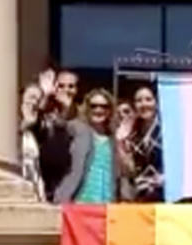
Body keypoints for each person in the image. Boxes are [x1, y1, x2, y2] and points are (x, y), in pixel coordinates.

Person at [61, 89, 122, 203]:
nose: (98, 110)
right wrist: (66, 109)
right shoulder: (78, 128)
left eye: (104, 106)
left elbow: (124, 173)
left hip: (107, 204)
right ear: (87, 108)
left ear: (110, 110)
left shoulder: (113, 138)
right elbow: (60, 127)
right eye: (93, 106)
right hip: (81, 201)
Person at [30, 68, 78, 203]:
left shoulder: (82, 113)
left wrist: (66, 109)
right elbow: (33, 124)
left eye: (71, 86)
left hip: (70, 181)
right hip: (45, 179)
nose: (66, 90)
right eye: (61, 86)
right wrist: (45, 95)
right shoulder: (47, 111)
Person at [121, 86, 163, 202]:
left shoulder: (168, 129)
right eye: (139, 100)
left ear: (156, 102)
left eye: (148, 99)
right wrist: (120, 142)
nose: (144, 104)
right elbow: (130, 169)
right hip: (141, 195)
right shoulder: (131, 132)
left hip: (166, 194)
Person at [19, 84, 47, 201]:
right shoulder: (9, 129)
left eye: (38, 100)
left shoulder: (35, 132)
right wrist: (25, 124)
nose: (34, 103)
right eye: (31, 97)